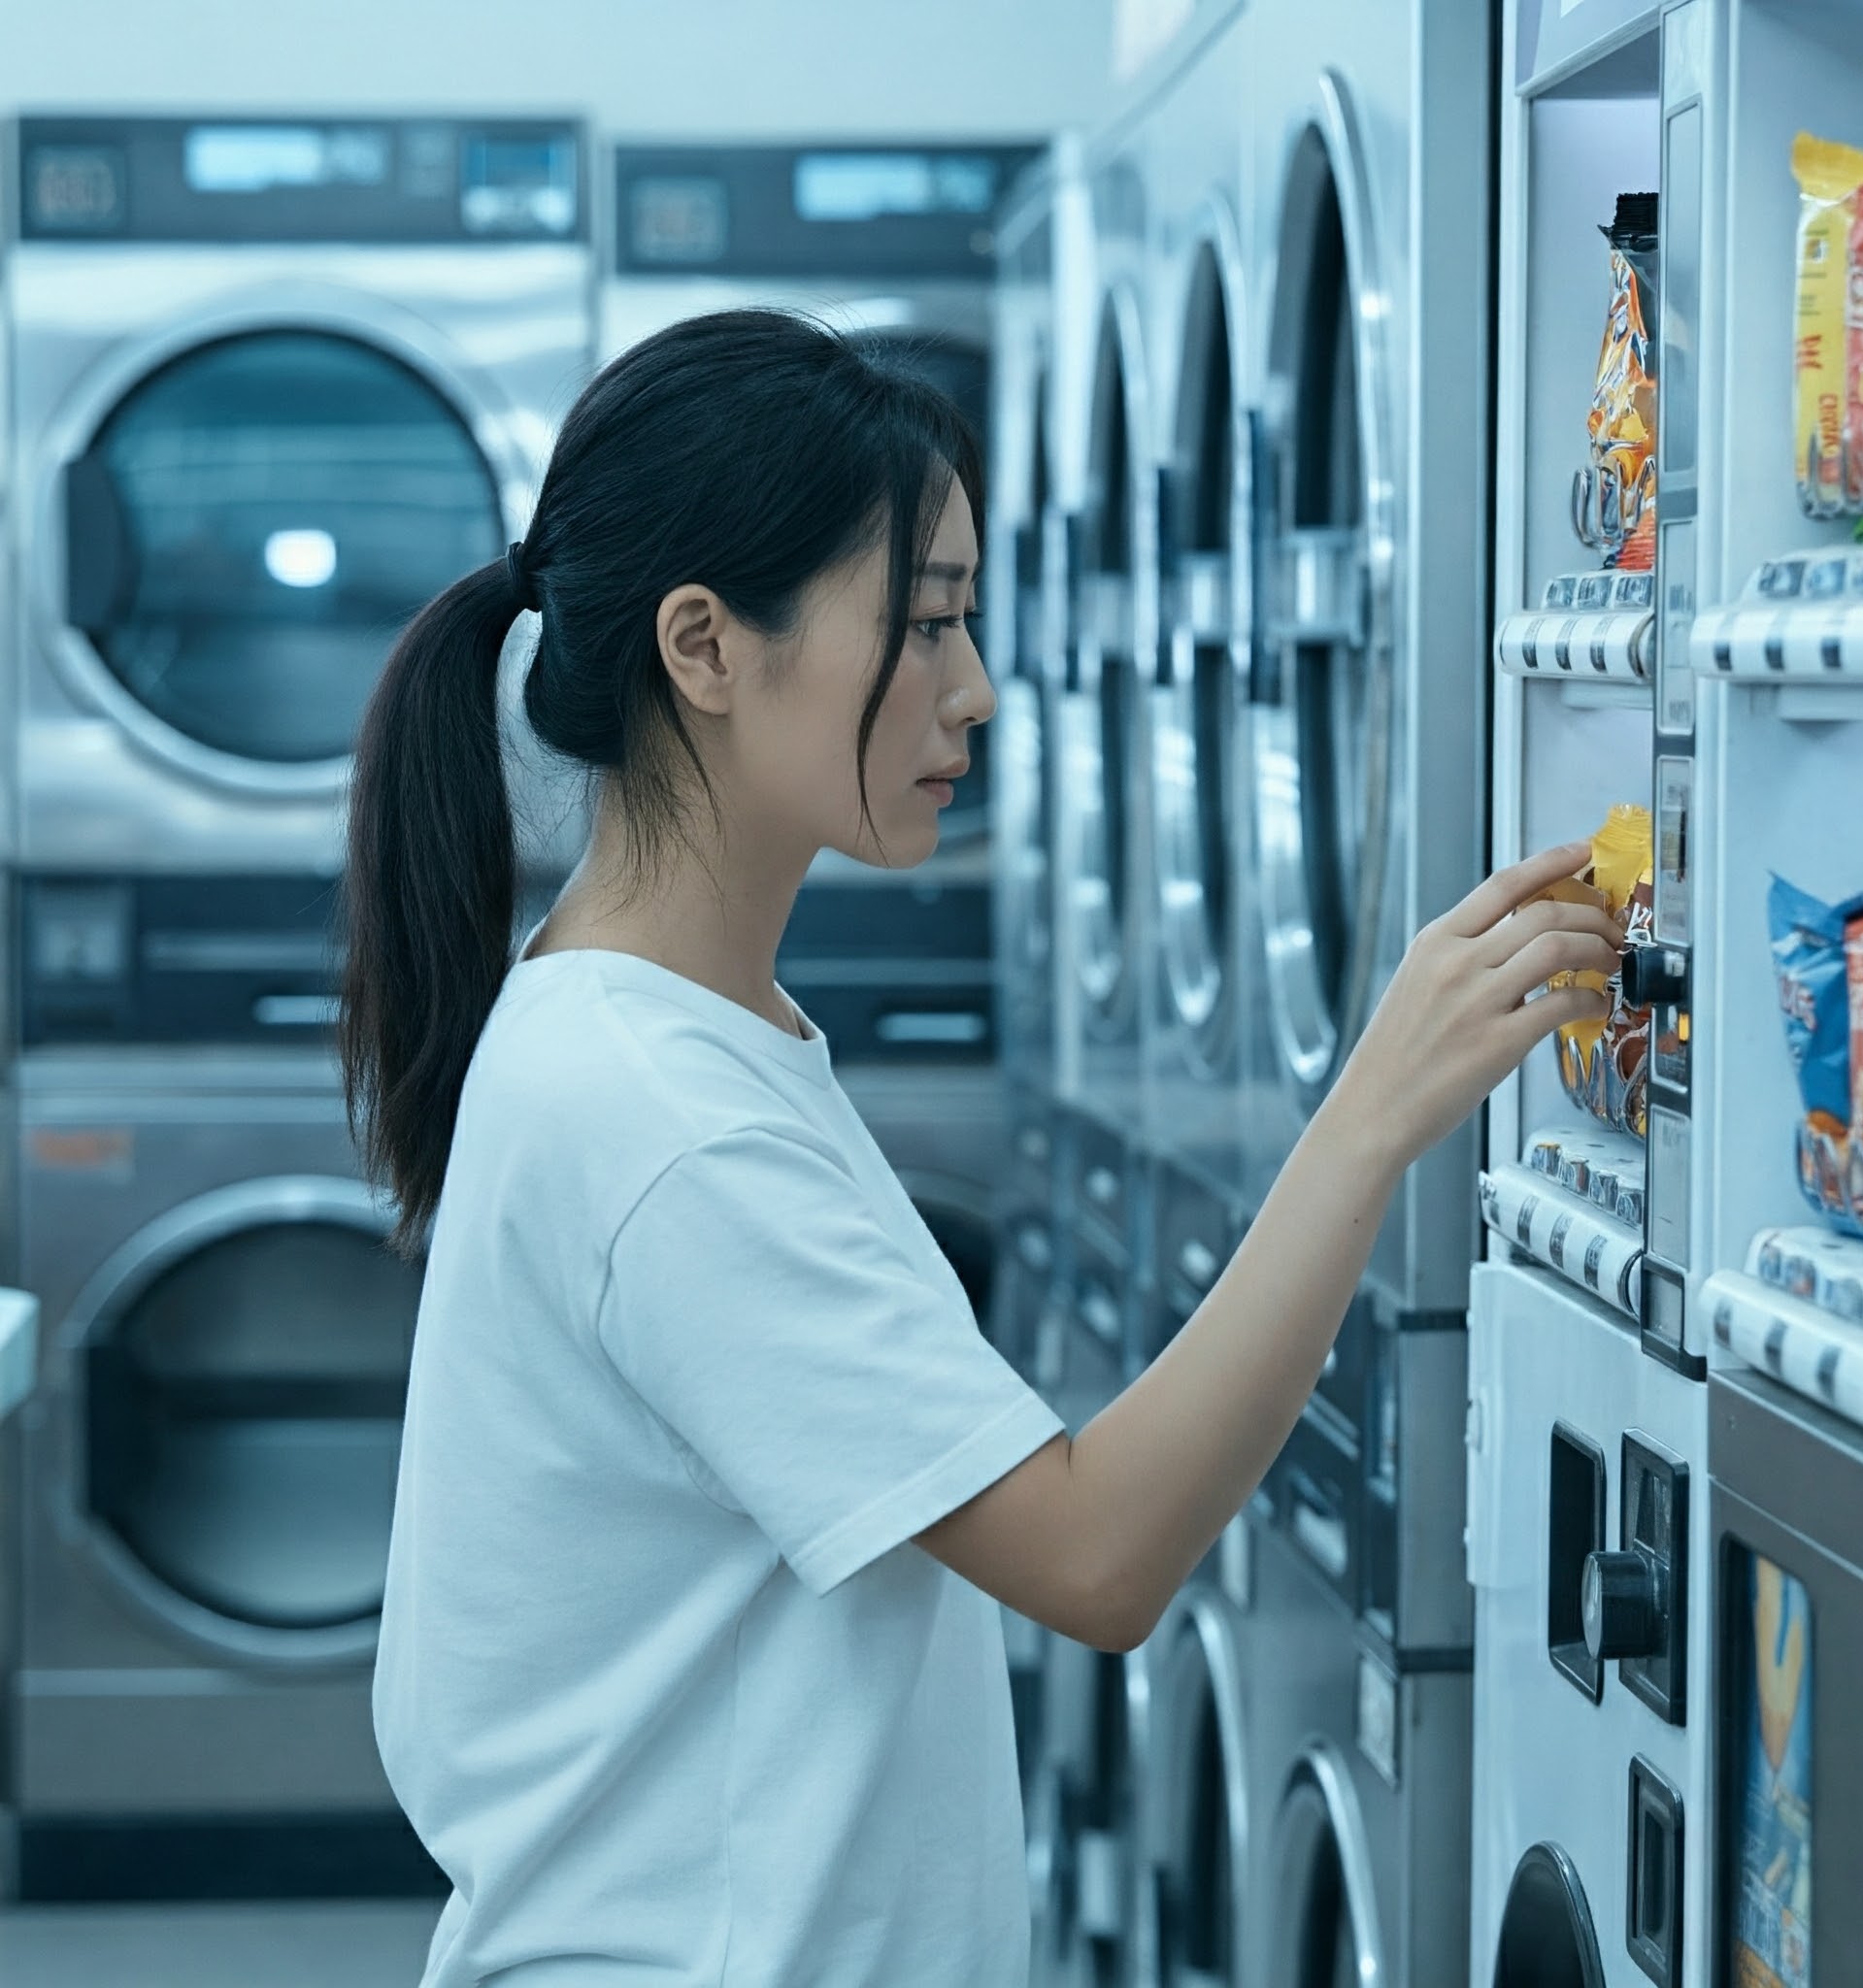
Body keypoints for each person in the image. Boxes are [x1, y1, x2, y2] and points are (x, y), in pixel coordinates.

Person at [342, 308, 1618, 1988]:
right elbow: (1094, 1557)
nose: (979, 690)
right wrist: (1378, 1105)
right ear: (705, 648)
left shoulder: (675, 1037)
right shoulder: (658, 1120)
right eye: (926, 624)